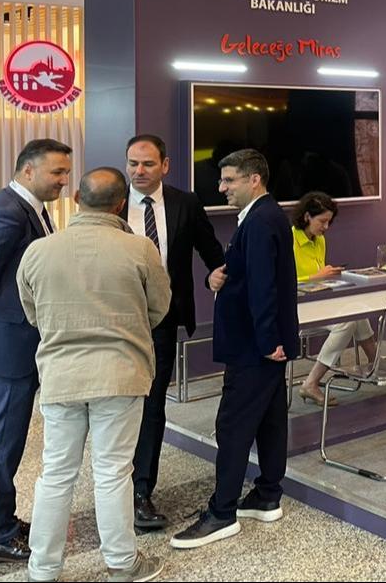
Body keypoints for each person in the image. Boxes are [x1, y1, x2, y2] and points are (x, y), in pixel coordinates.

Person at [17, 167, 171, 583]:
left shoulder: (39, 251)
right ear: (121, 204)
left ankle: (43, 569)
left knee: (55, 473)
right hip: (121, 375)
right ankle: (122, 564)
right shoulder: (141, 249)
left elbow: (32, 312)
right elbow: (158, 308)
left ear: (76, 200)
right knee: (113, 472)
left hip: (61, 376)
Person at [171, 149, 300, 550]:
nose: (221, 187)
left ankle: (222, 511)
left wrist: (267, 342)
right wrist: (219, 278)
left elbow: (264, 288)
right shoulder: (263, 216)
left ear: (254, 179)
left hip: (254, 346)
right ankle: (266, 494)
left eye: (229, 180)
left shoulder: (261, 220)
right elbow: (251, 278)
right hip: (261, 342)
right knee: (269, 419)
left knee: (233, 424)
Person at [0, 138, 72, 564]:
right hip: (6, 347)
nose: (64, 181)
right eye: (57, 173)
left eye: (66, 173)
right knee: (3, 442)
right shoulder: (7, 212)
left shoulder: (30, 209)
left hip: (16, 345)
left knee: (10, 441)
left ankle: (3, 520)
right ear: (27, 170)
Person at [122, 134, 226, 532]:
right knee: (118, 405)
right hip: (119, 320)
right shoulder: (114, 202)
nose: (139, 171)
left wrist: (218, 278)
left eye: (148, 164)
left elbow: (209, 249)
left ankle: (141, 492)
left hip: (162, 317)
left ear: (165, 165)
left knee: (152, 403)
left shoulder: (185, 202)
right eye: (133, 163)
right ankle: (114, 484)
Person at [292, 192, 378, 407]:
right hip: (296, 306)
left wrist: (330, 275)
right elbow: (283, 282)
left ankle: (375, 364)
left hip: (320, 301)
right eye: (322, 221)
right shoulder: (288, 240)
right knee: (347, 321)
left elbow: (319, 279)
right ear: (306, 217)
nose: (326, 227)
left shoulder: (319, 240)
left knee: (357, 309)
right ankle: (311, 383)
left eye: (329, 222)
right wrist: (316, 277)